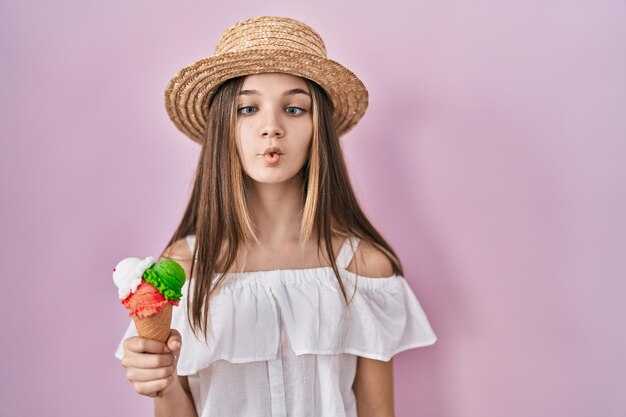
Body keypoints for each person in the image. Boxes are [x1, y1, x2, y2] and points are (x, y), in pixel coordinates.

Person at [115, 16, 437, 417]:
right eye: (248, 108)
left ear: (318, 129)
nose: (271, 127)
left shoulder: (365, 268)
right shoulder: (184, 268)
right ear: (223, 129)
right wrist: (161, 385)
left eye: (295, 109)